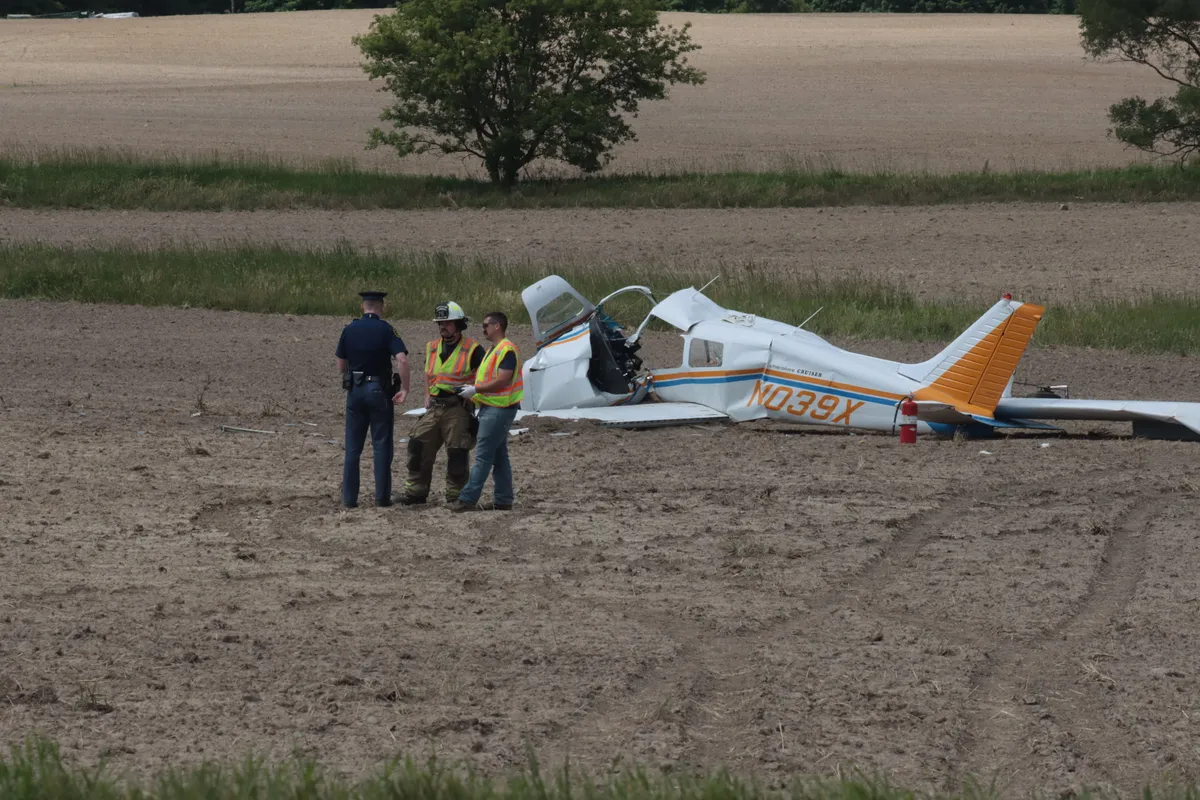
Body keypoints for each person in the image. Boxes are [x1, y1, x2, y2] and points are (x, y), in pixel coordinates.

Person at [396, 301, 485, 506]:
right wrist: (427, 395)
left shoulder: (473, 349)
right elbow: (429, 374)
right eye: (440, 323)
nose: (442, 326)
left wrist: (474, 397)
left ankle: (456, 497)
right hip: (435, 407)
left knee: (457, 453)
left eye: (447, 323)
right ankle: (416, 493)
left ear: (459, 324)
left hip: (458, 409)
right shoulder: (432, 347)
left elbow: (484, 377)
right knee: (418, 445)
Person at [336, 290, 410, 508]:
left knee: (352, 448)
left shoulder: (349, 330)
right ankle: (381, 498)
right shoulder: (386, 329)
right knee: (381, 445)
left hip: (355, 391)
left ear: (363, 307)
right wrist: (405, 389)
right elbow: (402, 360)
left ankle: (349, 499)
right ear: (382, 306)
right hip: (379, 389)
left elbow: (341, 365)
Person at [450, 311, 523, 512]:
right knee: (499, 456)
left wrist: (475, 390)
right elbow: (490, 378)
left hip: (498, 409)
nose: (483, 329)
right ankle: (503, 500)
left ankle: (467, 499)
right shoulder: (495, 349)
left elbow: (503, 379)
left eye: (486, 325)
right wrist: (472, 389)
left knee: (483, 456)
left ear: (497, 326)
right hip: (493, 407)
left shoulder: (506, 350)